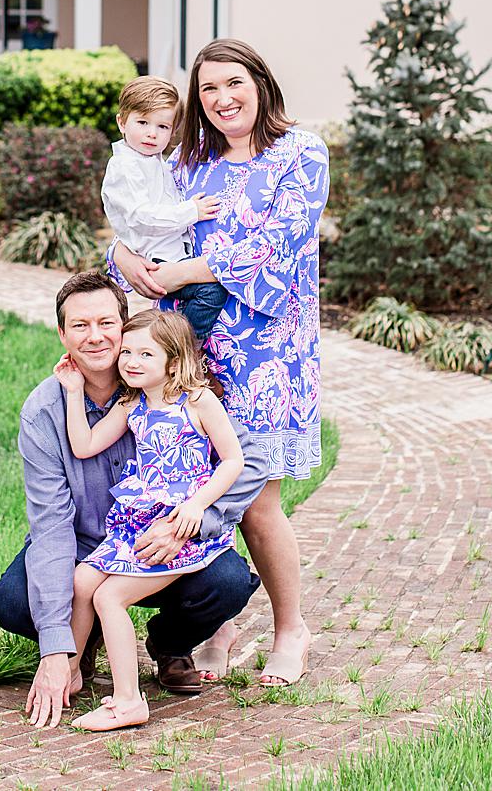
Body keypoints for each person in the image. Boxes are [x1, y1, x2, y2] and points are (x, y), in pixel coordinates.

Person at [111, 39, 329, 688]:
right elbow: (142, 225)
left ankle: (292, 631)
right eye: (208, 89)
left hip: (265, 356)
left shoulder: (300, 154)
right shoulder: (187, 162)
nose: (222, 98)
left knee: (257, 502)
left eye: (233, 83)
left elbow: (276, 245)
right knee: (197, 491)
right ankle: (219, 626)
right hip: (191, 359)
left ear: (260, 82)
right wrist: (124, 261)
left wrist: (182, 270)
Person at [0, 271, 267, 730]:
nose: (95, 337)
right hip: (95, 540)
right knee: (20, 600)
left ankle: (168, 646)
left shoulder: (170, 387)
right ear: (62, 334)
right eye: (79, 325)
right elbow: (53, 520)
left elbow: (247, 459)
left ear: (123, 324)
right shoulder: (47, 410)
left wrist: (193, 516)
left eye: (106, 324)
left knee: (228, 581)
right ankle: (76, 655)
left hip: (170, 533)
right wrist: (55, 651)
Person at [55, 310, 244, 731]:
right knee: (83, 582)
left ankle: (127, 701)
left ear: (173, 362)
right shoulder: (132, 404)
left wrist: (197, 505)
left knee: (109, 598)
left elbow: (233, 460)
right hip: (136, 521)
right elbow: (84, 445)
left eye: (146, 354)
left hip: (179, 525)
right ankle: (69, 673)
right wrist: (72, 391)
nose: (132, 361)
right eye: (127, 352)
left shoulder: (197, 401)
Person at [101, 76, 228, 340]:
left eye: (162, 126)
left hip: (169, 252)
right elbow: (141, 216)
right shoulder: (125, 167)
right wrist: (190, 211)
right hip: (157, 259)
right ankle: (184, 346)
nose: (152, 133)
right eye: (143, 122)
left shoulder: (153, 160)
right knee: (211, 292)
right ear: (121, 122)